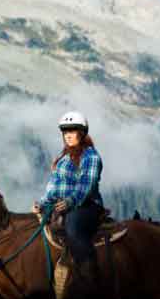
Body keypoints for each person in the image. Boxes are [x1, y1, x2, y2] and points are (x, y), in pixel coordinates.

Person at [32, 111, 105, 268]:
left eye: (72, 131)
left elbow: (86, 185)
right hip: (63, 205)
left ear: (82, 133)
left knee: (72, 228)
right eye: (65, 131)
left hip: (86, 206)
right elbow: (54, 186)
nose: (68, 135)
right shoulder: (63, 158)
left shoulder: (90, 156)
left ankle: (88, 272)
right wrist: (42, 204)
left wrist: (70, 201)